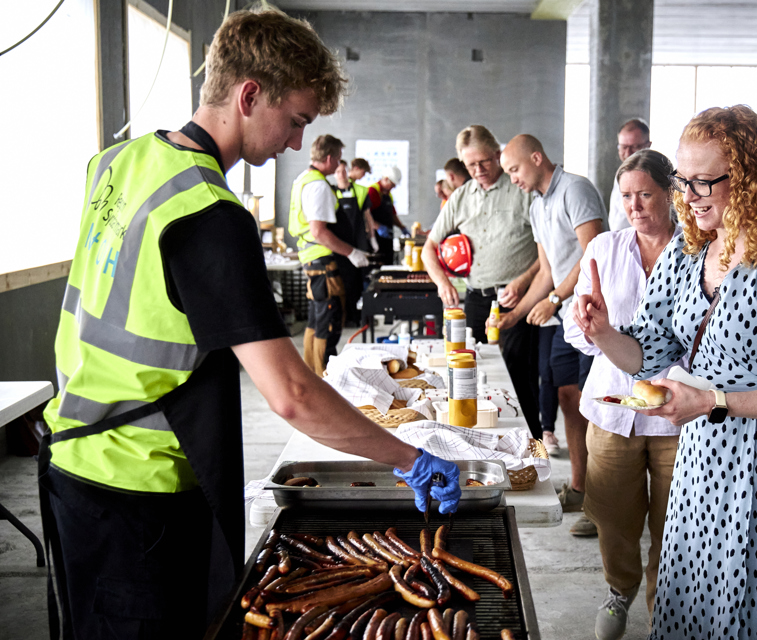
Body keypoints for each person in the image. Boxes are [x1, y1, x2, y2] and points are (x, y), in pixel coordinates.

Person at [38, 9, 460, 640]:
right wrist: (408, 457)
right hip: (141, 491)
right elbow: (289, 394)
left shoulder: (117, 163)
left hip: (73, 462)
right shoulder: (208, 212)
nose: (294, 143)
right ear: (249, 94)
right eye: (296, 122)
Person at [574, 105, 757, 639]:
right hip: (703, 466)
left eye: (705, 181)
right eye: (684, 180)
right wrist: (605, 333)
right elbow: (650, 351)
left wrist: (712, 402)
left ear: (750, 179)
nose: (689, 195)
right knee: (699, 604)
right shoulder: (686, 257)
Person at [564, 150, 684, 639]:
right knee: (612, 516)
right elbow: (580, 334)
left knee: (675, 529)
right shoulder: (604, 250)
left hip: (680, 414)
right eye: (627, 196)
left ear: (671, 193)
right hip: (613, 409)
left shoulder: (701, 252)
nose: (635, 206)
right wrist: (589, 325)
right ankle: (619, 591)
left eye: (646, 195)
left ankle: (666, 613)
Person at [496, 134, 606, 537]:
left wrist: (558, 298)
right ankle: (579, 486)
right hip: (567, 315)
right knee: (566, 397)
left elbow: (593, 250)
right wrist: (517, 314)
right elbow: (546, 272)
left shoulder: (574, 189)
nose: (512, 179)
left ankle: (601, 504)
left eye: (514, 170)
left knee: (597, 407)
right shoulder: (538, 204)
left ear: (537, 158)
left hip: (594, 311)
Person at [422, 125, 542, 438]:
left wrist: (524, 279)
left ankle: (532, 448)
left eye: (485, 162)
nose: (479, 170)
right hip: (476, 299)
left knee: (520, 378)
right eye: (471, 165)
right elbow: (428, 250)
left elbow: (549, 255)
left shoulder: (522, 190)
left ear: (497, 154)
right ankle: (474, 441)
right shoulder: (460, 197)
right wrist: (442, 282)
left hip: (519, 299)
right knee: (469, 375)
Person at [289, 134, 370, 374]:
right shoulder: (318, 186)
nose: (339, 165)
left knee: (316, 321)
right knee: (329, 323)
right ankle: (325, 378)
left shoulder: (303, 179)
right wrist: (352, 253)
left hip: (312, 260)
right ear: (329, 157)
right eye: (338, 159)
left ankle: (313, 373)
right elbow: (319, 231)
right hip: (324, 263)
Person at [330, 158, 374, 327]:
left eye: (343, 171)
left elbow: (367, 216)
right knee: (343, 282)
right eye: (338, 172)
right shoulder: (331, 192)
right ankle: (345, 317)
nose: (341, 174)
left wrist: (372, 239)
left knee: (358, 282)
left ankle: (358, 318)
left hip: (358, 243)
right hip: (339, 245)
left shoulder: (359, 191)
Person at [608, 118, 651, 231]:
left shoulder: (654, 174)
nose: (628, 153)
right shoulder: (621, 172)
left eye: (634, 147)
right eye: (624, 147)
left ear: (648, 145)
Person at [368, 165, 409, 264]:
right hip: (376, 239)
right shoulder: (373, 192)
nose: (393, 188)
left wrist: (402, 227)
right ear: (386, 179)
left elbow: (392, 215)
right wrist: (378, 227)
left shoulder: (387, 194)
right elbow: (365, 216)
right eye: (392, 184)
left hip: (387, 239)